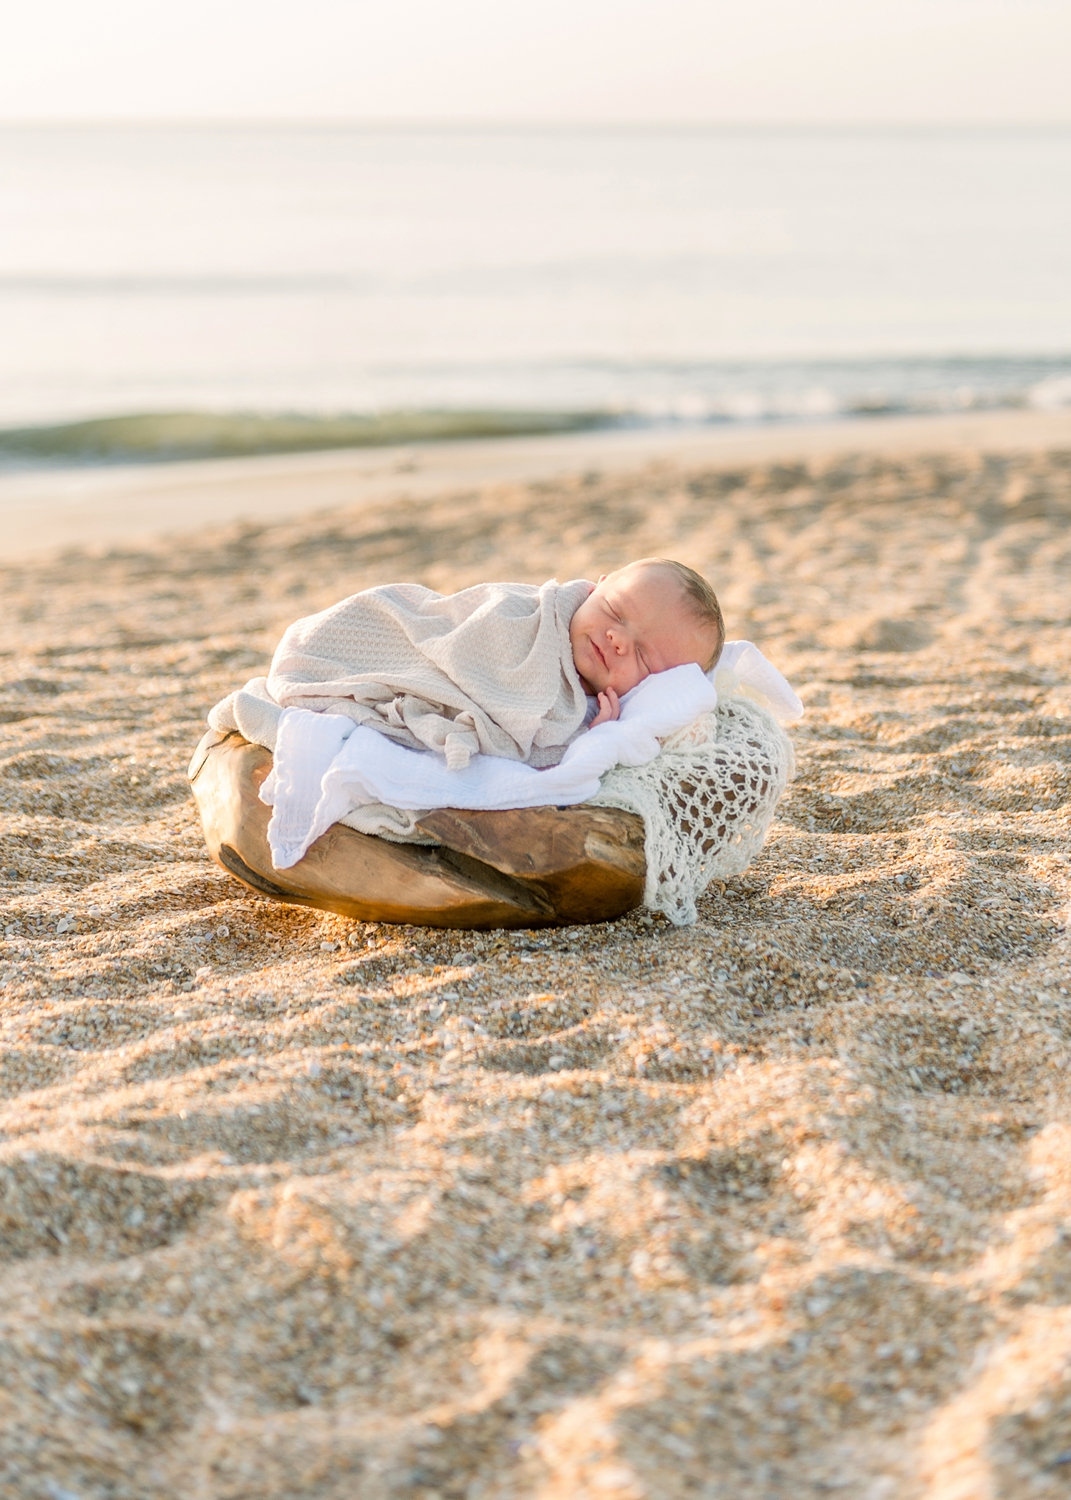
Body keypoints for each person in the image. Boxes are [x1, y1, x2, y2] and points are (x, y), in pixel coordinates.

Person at [257, 556, 724, 771]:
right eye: (615, 611)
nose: (617, 639)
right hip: (376, 632)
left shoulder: (594, 705)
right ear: (596, 586)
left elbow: (546, 748)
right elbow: (460, 636)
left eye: (642, 656)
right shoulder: (530, 614)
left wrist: (594, 733)